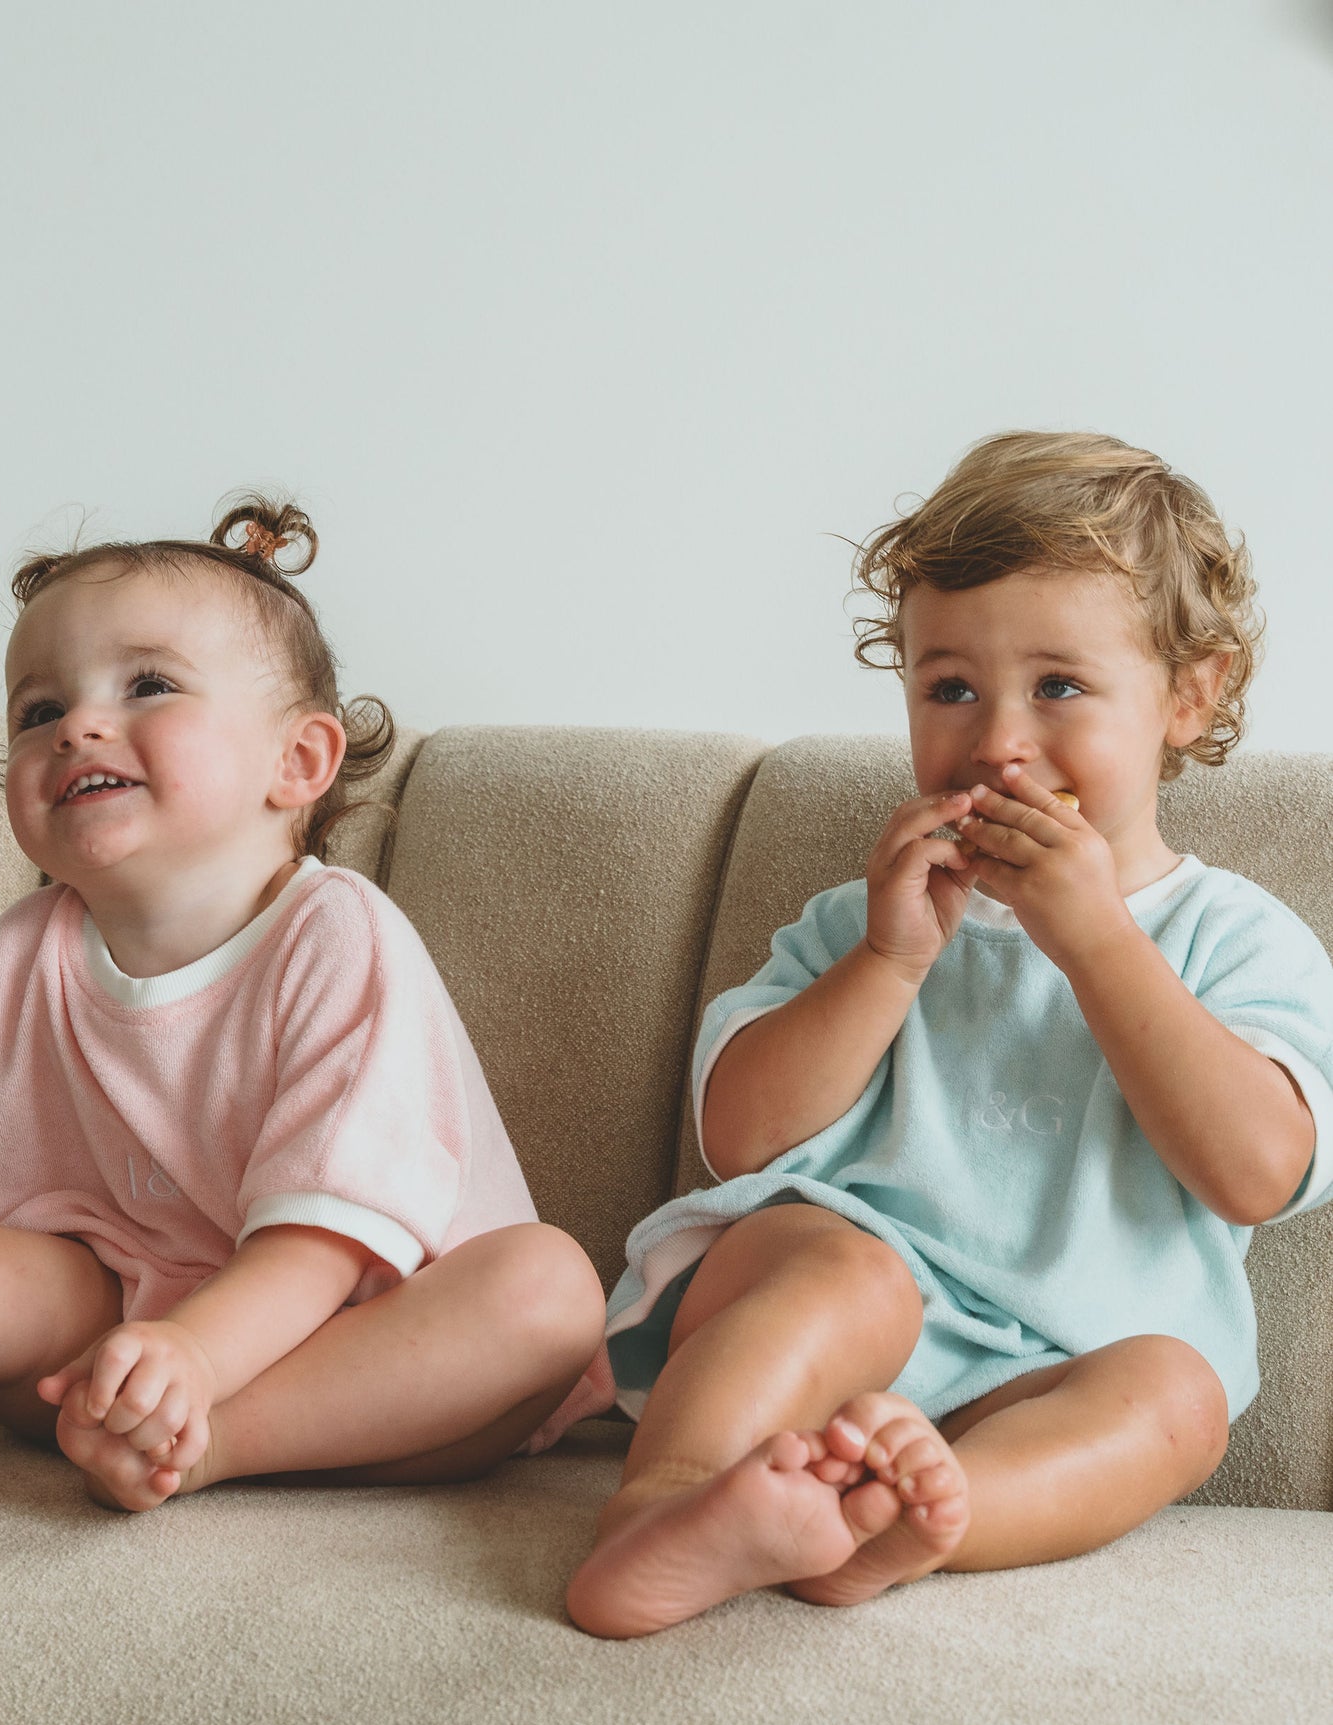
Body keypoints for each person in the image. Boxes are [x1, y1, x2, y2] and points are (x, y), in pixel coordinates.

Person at [567, 430, 1333, 1638]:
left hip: (1056, 1372)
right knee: (832, 1258)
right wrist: (887, 961)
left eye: (1058, 686)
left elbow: (1255, 1170)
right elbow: (738, 1138)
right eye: (949, 688)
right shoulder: (868, 914)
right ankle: (660, 1510)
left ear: (1189, 696)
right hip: (832, 1332)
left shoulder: (1235, 941)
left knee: (1179, 1395)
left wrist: (1096, 945)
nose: (996, 740)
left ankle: (911, 1523)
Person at [0, 496, 610, 1512]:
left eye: (148, 685)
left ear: (298, 763)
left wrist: (194, 1360)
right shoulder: (17, 956)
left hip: (351, 1345)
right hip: (96, 1356)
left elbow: (322, 1241)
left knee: (547, 1288)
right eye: (38, 709)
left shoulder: (334, 936)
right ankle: (141, 1431)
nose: (79, 725)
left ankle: (212, 1447)